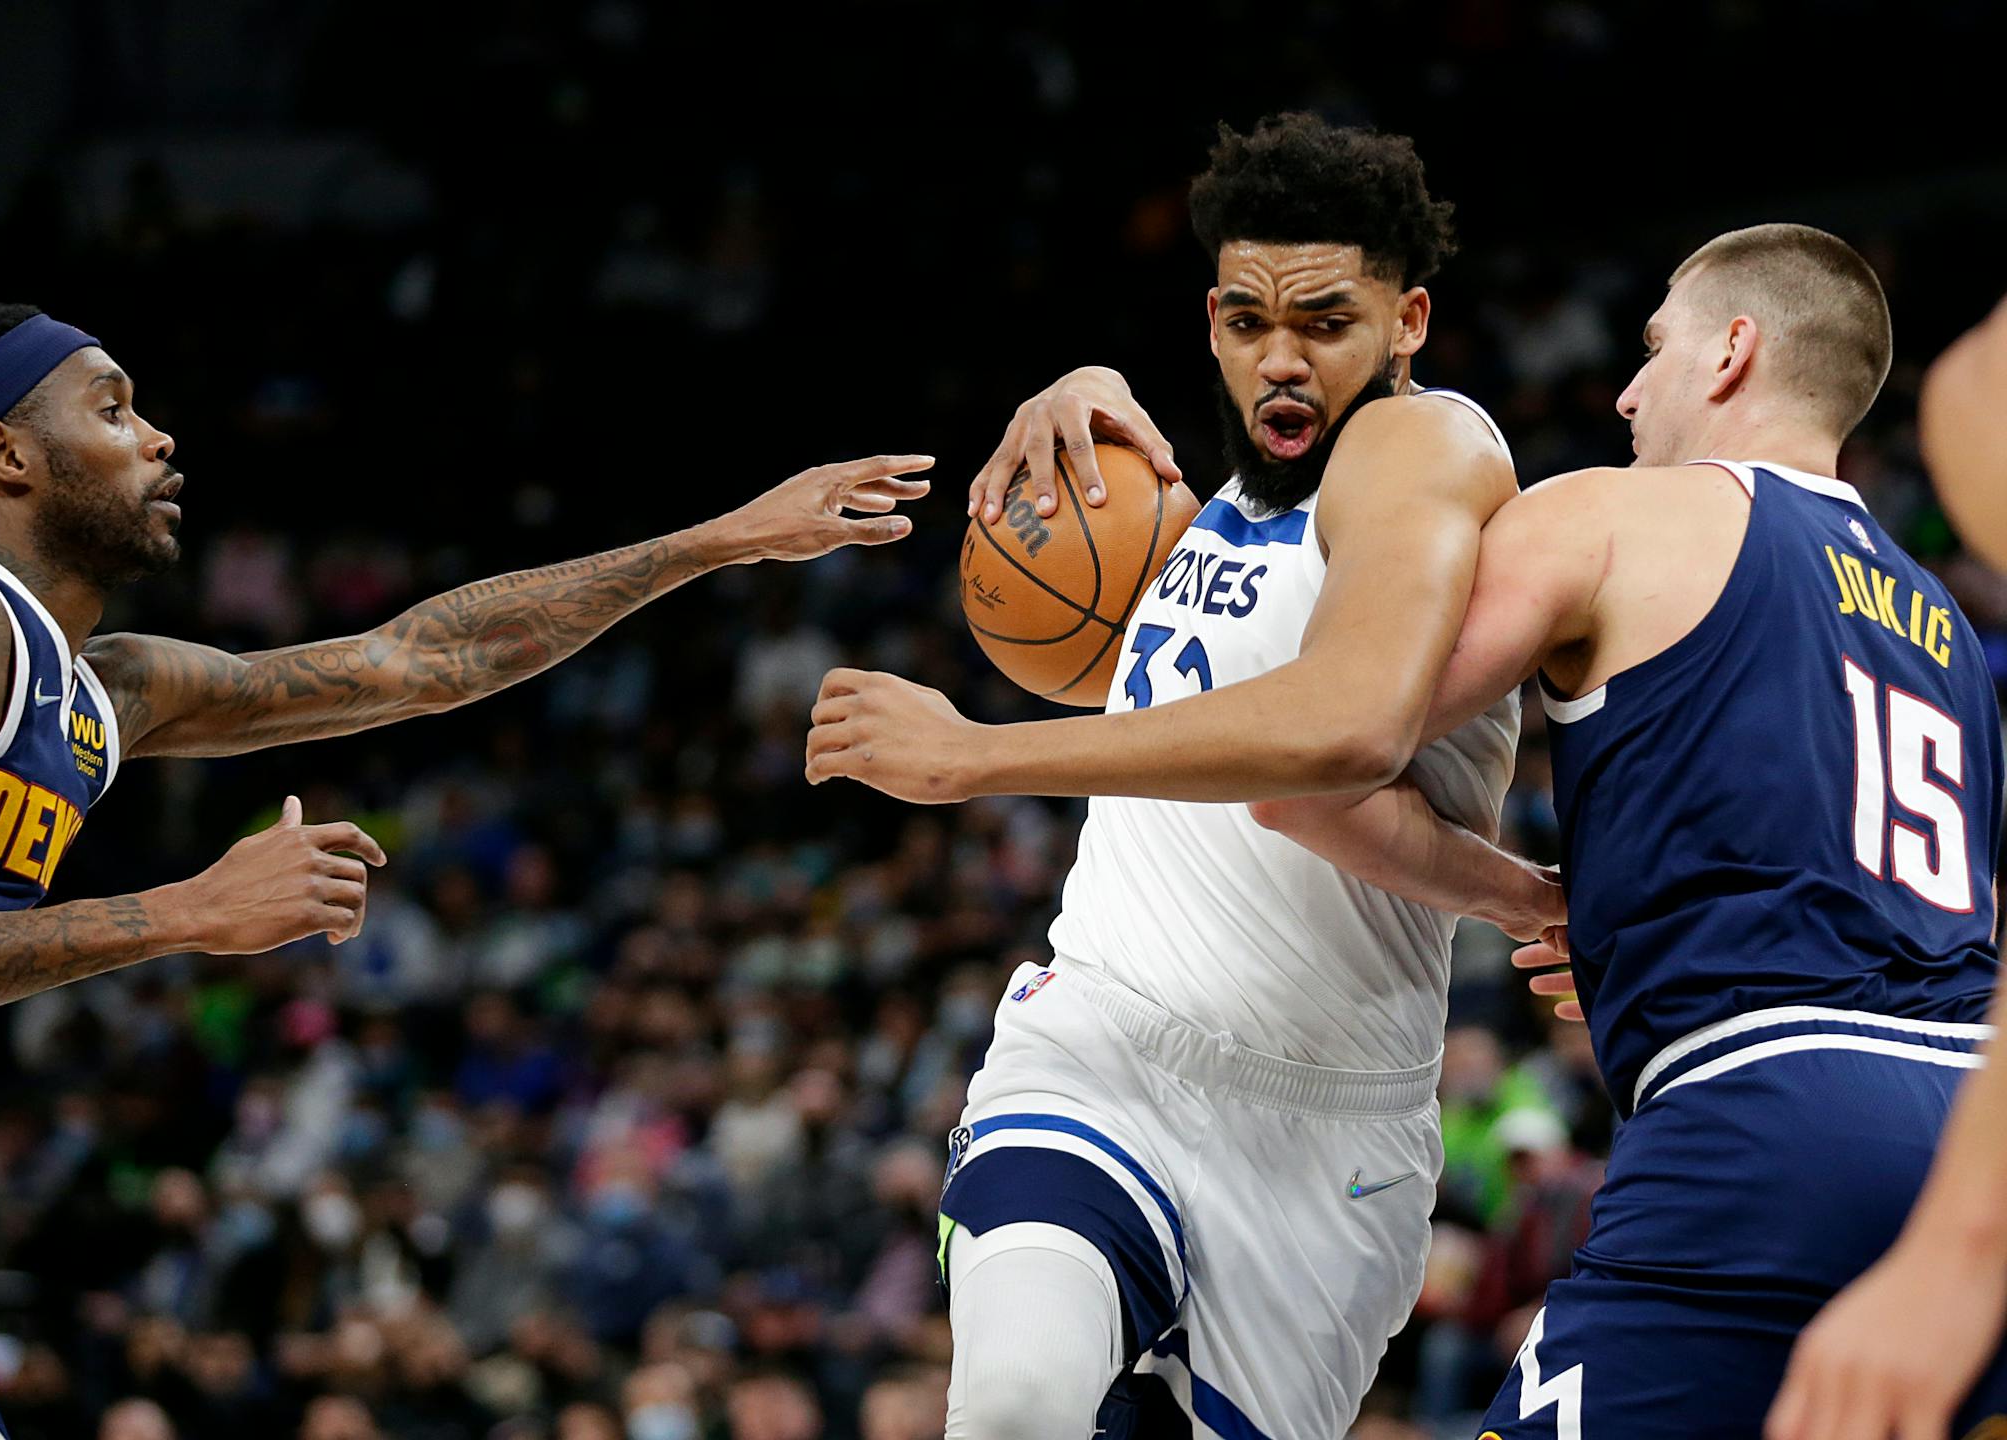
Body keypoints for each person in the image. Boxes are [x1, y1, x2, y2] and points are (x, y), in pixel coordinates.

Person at [810, 222, 2007, 1434]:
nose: (1629, 390)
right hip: (1968, 1131)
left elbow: (1321, 752)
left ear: (1734, 351)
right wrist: (1609, 926)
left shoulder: (1611, 516)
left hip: (1753, 1118)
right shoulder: (1944, 626)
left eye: (1655, 350)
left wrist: (977, 753)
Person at [0, 302, 930, 1437]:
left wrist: (717, 541)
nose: (158, 437)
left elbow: (418, 660)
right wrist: (184, 913)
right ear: (5, 452)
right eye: (112, 409)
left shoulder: (105, 687)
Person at [850, 113, 1561, 1440]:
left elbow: (1336, 739)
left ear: (1409, 321)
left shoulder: (1429, 449)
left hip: (1324, 1128)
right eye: (1244, 322)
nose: (1278, 360)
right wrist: (1079, 381)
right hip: (1103, 1038)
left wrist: (978, 759)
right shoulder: (1217, 500)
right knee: (1013, 1403)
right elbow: (1189, 713)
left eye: (1325, 323)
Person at [1762, 296, 2007, 1440]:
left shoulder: (1971, 396)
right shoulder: (1945, 616)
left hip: (1788, 1074)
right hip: (1948, 1052)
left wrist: (1965, 1247)